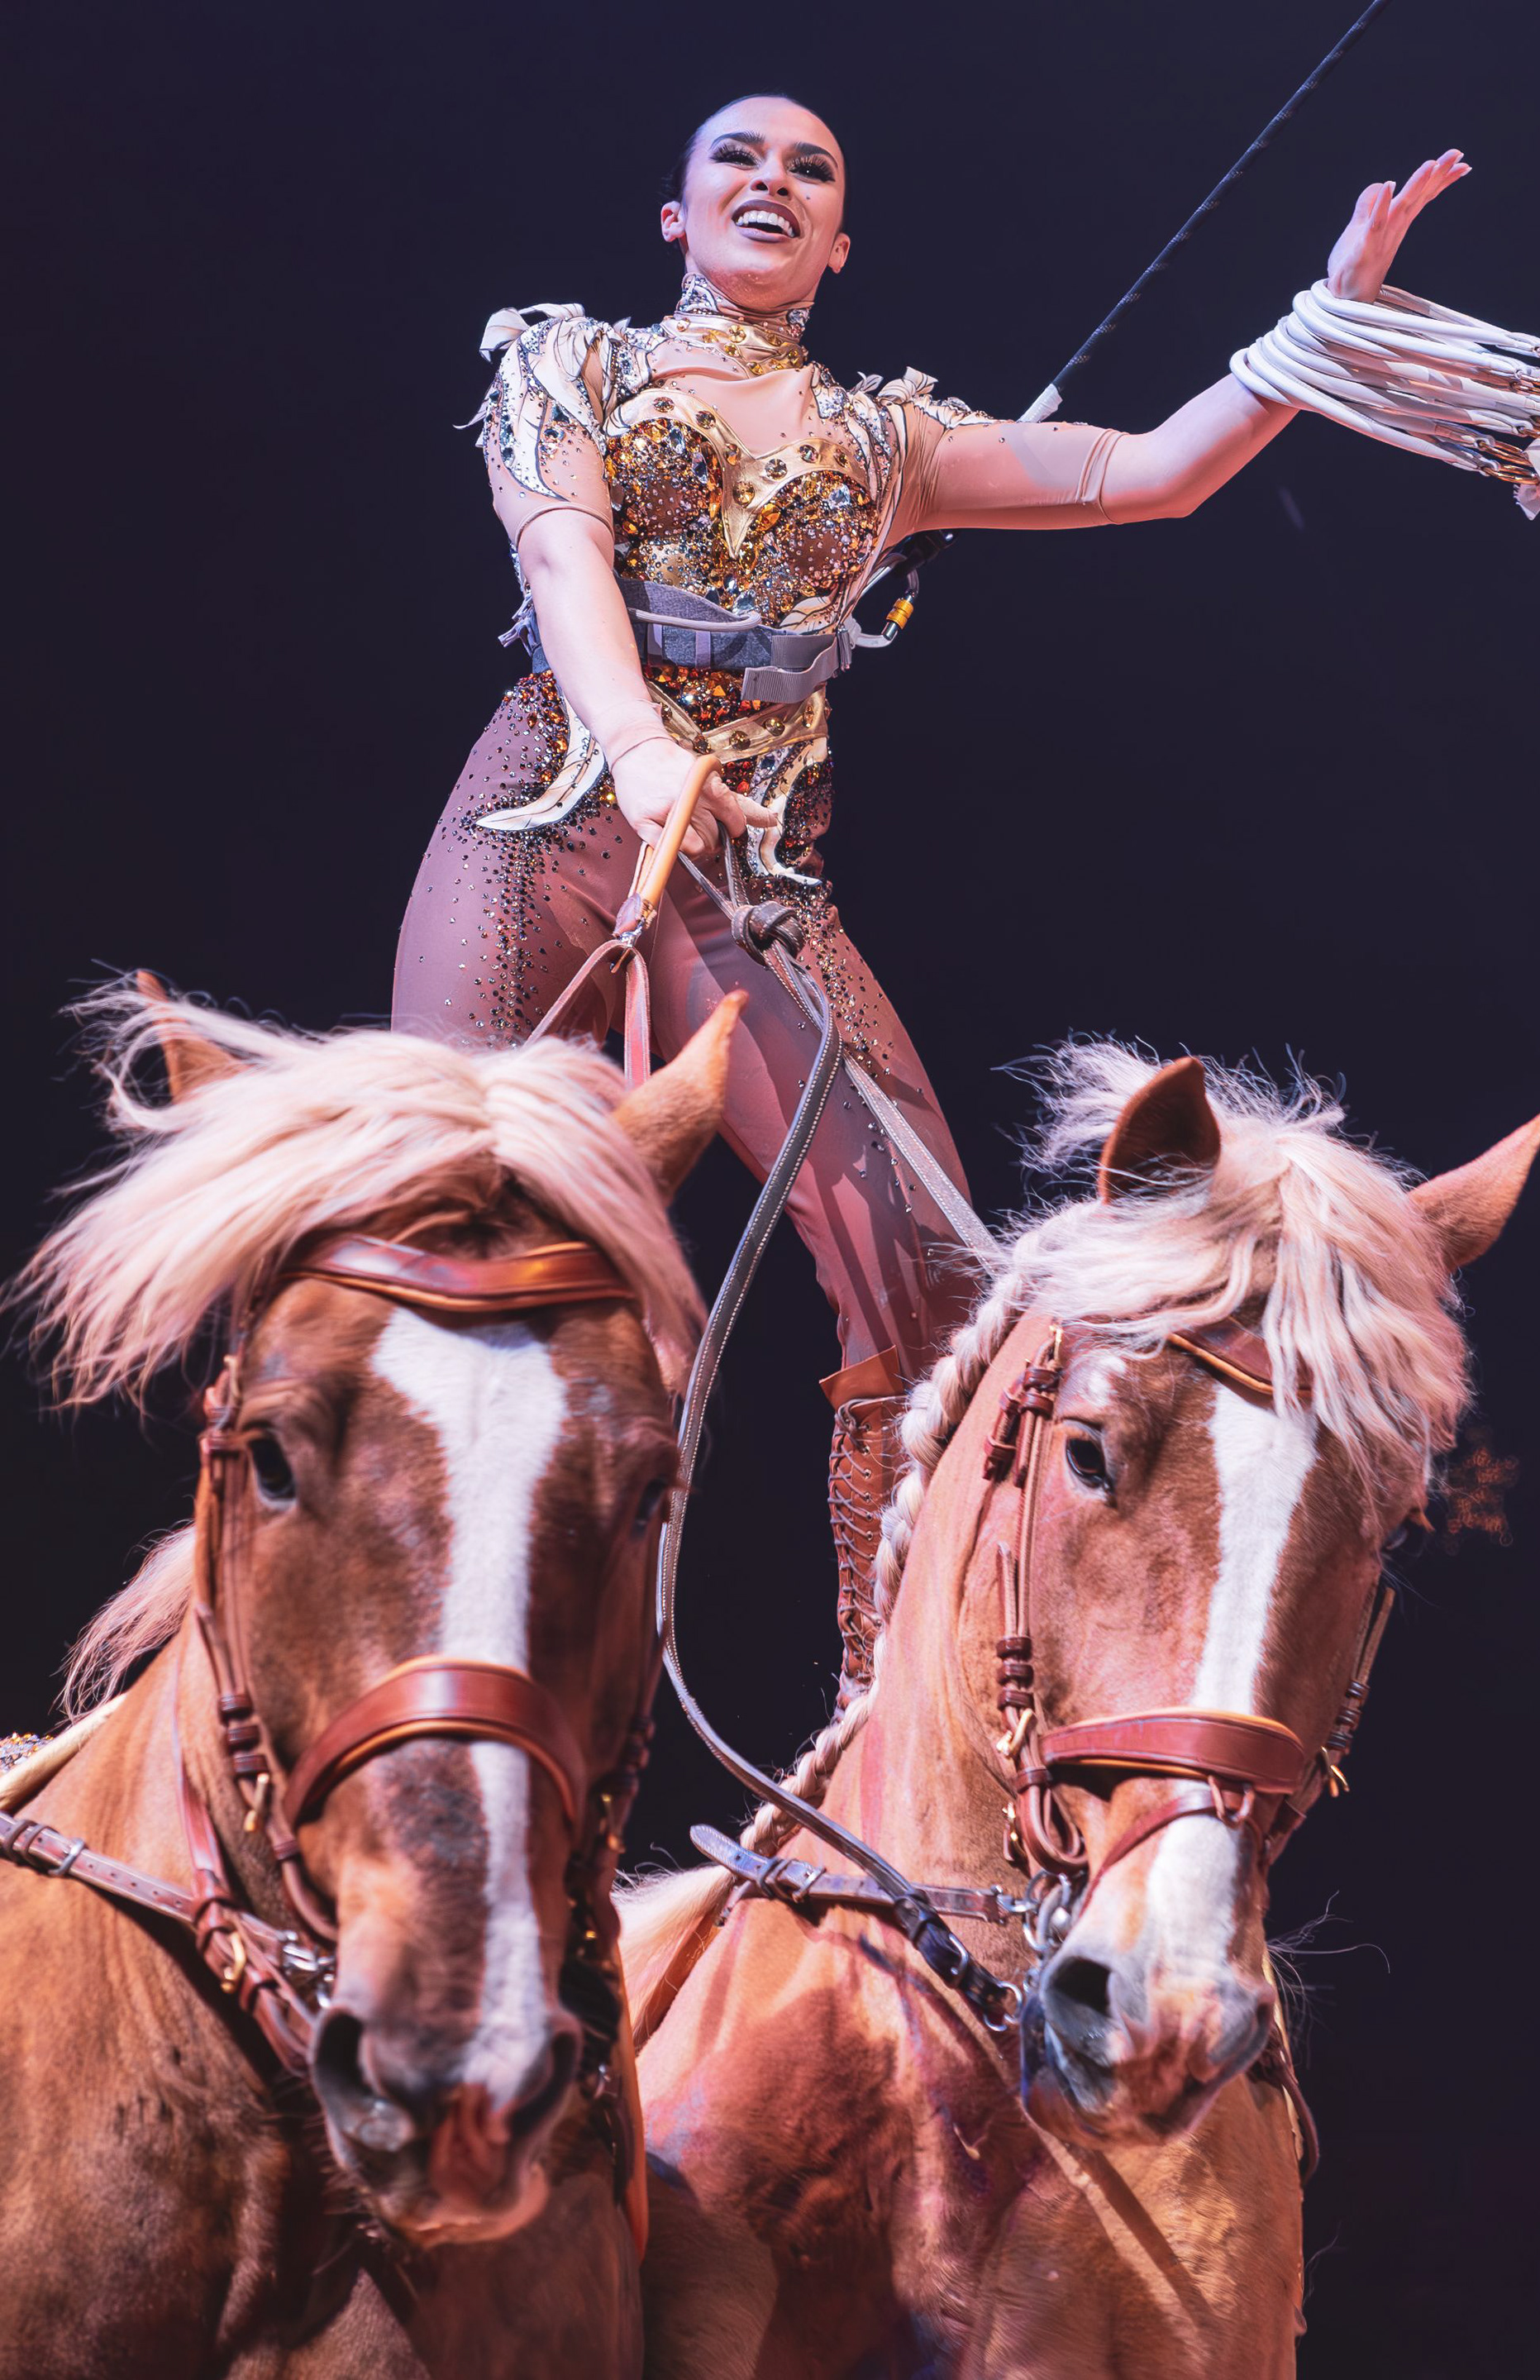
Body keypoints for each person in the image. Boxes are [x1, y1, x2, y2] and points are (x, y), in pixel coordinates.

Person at [393, 93, 1466, 1682]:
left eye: (810, 170)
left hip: (752, 879)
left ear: (840, 243)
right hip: (550, 825)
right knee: (421, 1227)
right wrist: (637, 749)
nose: (772, 179)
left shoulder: (885, 442)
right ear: (676, 215)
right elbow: (562, 563)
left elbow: (1152, 472)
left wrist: (1325, 319)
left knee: (936, 1289)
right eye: (736, 159)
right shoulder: (571, 366)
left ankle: (885, 1713)